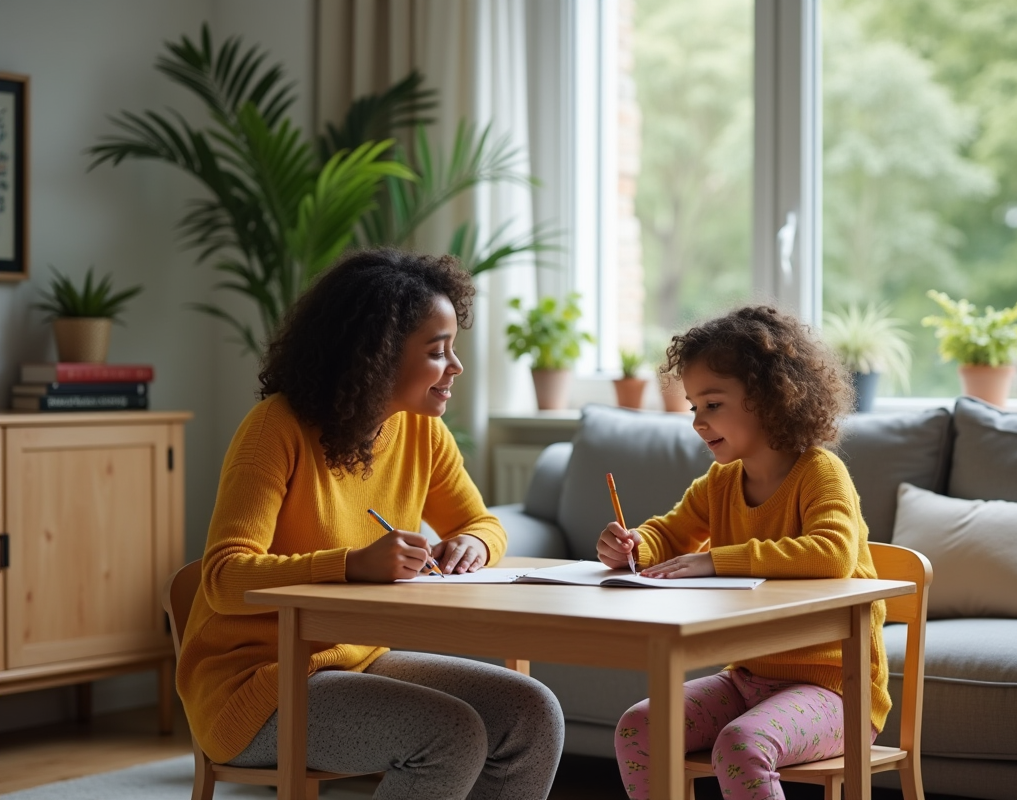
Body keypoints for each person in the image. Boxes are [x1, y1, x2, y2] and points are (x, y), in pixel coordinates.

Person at [177, 248, 564, 800]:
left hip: (359, 659)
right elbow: (222, 578)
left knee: (531, 712)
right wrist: (351, 565)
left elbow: (482, 521)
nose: (455, 367)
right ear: (376, 355)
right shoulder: (276, 429)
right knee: (448, 735)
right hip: (257, 684)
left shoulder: (422, 433)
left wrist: (474, 544)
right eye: (438, 351)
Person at [598, 305, 889, 800]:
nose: (697, 421)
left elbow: (832, 553)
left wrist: (715, 558)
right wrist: (633, 545)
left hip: (838, 693)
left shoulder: (819, 472)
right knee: (639, 727)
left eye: (712, 404)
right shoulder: (721, 481)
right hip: (747, 680)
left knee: (741, 745)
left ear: (771, 398)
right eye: (692, 406)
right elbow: (669, 534)